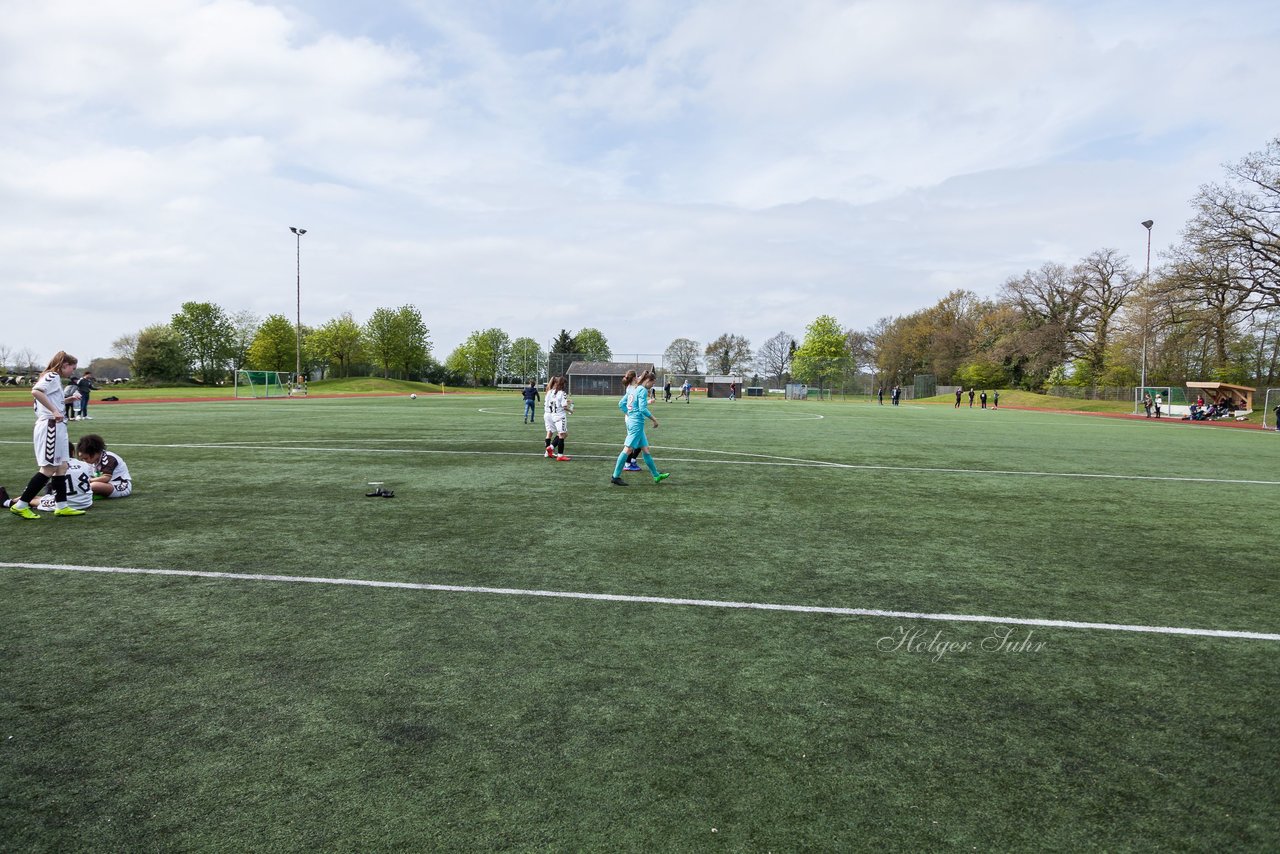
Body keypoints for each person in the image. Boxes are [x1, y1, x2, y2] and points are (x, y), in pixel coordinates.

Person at [8, 350, 85, 519]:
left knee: (62, 466)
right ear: (65, 365)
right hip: (51, 425)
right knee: (49, 468)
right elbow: (36, 391)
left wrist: (66, 401)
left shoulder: (52, 378)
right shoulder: (52, 376)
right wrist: (55, 410)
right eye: (72, 367)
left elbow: (49, 398)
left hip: (58, 425)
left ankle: (62, 506)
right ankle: (21, 505)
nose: (73, 371)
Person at [610, 369, 669, 486]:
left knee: (646, 450)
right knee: (628, 449)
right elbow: (642, 409)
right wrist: (654, 419)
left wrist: (629, 413)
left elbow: (621, 404)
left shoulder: (634, 388)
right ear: (647, 380)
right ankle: (615, 477)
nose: (653, 385)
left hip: (635, 422)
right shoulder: (641, 390)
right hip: (636, 424)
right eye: (652, 383)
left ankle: (656, 475)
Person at [76, 434, 133, 499]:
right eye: (82, 458)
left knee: (93, 486)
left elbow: (106, 478)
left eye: (86, 458)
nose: (84, 461)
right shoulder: (93, 460)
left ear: (96, 452)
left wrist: (88, 481)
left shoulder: (109, 458)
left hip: (119, 485)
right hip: (104, 484)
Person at [542, 376, 571, 461]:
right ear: (563, 384)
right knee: (563, 434)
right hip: (558, 415)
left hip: (549, 414)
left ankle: (547, 452)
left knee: (550, 433)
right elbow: (564, 406)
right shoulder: (562, 393)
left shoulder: (550, 391)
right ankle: (559, 454)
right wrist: (571, 410)